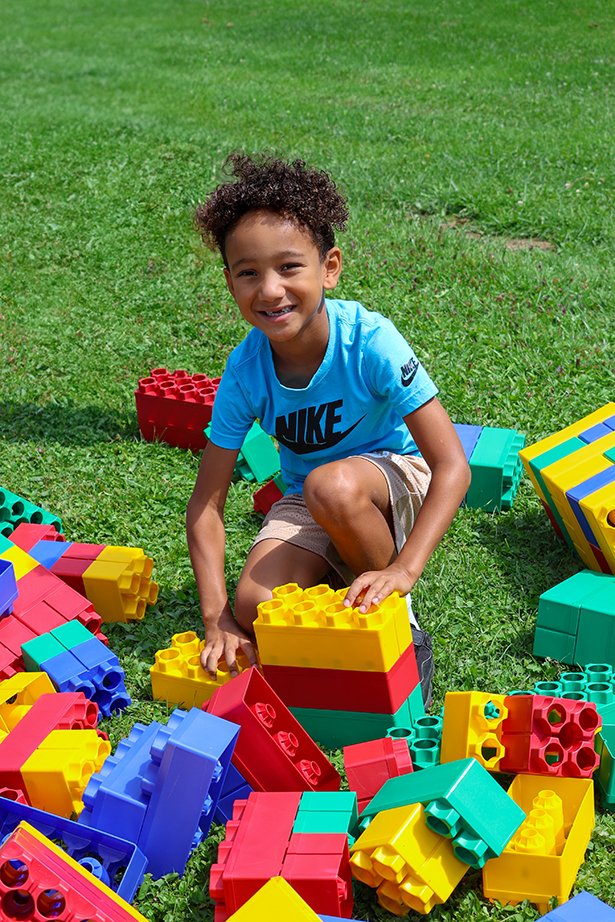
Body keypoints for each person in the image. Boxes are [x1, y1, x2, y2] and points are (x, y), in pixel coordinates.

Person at [186, 153, 471, 707]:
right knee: (255, 606)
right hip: (308, 497)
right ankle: (346, 586)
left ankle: (399, 625)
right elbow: (206, 505)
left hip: (395, 482)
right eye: (248, 272)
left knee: (332, 487)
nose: (270, 290)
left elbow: (452, 465)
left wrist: (405, 571)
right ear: (229, 282)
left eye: (290, 267)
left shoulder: (369, 341)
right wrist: (217, 615)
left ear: (330, 267)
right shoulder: (246, 372)